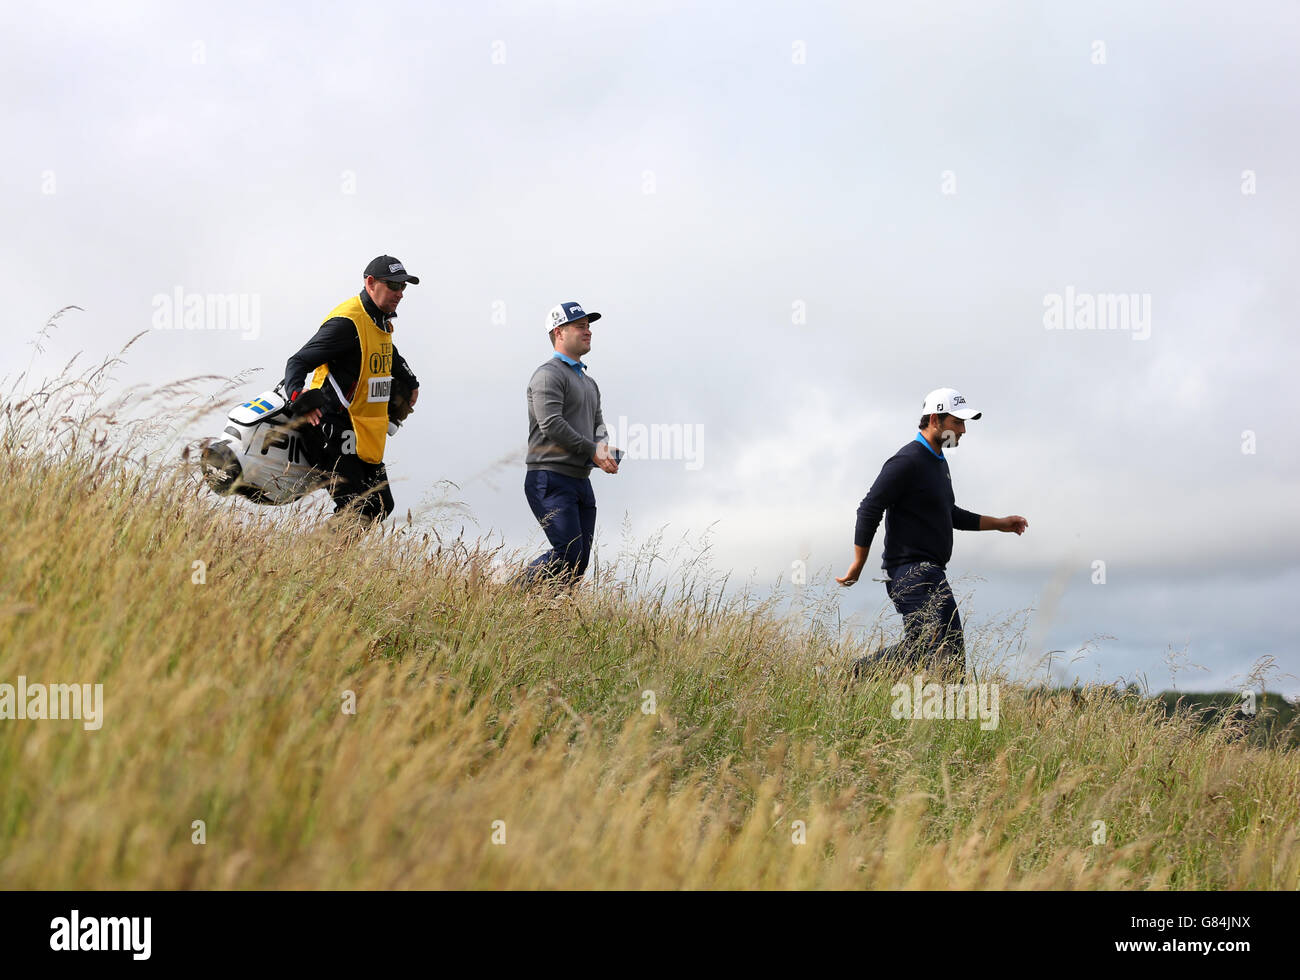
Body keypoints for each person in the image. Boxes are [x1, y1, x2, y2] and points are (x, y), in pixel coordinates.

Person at [836, 387, 1028, 677]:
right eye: (957, 422)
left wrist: (999, 523)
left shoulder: (938, 463)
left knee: (950, 656)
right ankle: (848, 676)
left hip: (933, 572)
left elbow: (949, 514)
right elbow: (870, 507)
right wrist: (858, 563)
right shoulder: (907, 461)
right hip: (908, 573)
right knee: (931, 645)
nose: (963, 430)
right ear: (936, 419)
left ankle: (947, 717)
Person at [282, 255, 421, 524]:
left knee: (380, 504)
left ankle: (321, 557)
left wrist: (410, 382)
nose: (400, 293)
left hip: (360, 430)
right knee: (361, 508)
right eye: (393, 285)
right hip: (328, 426)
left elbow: (385, 351)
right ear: (370, 283)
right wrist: (299, 398)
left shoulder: (379, 320)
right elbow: (297, 361)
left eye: (403, 287)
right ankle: (315, 559)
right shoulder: (346, 322)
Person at [521, 301, 620, 585]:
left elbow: (598, 425)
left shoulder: (590, 383)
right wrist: (592, 450)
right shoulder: (547, 374)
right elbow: (551, 424)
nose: (587, 331)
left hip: (580, 480)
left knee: (577, 564)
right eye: (580, 326)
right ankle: (510, 595)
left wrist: (601, 449)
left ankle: (545, 615)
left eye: (588, 326)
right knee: (568, 553)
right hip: (548, 477)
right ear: (559, 332)